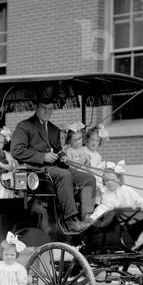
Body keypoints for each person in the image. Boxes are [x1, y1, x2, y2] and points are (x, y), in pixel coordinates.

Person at [11, 99, 95, 231]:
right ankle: (71, 220)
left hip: (56, 168)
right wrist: (42, 157)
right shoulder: (24, 126)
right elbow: (17, 151)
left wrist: (63, 157)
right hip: (37, 171)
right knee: (64, 175)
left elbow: (57, 150)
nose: (47, 111)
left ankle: (86, 217)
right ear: (36, 107)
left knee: (89, 179)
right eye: (44, 107)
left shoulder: (53, 128)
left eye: (50, 108)